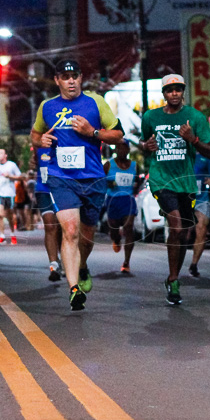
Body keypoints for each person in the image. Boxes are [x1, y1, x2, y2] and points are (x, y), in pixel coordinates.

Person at [31, 58, 123, 311]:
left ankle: (82, 267)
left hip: (92, 177)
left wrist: (92, 132)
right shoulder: (47, 107)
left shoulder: (96, 102)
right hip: (62, 178)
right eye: (65, 77)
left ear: (81, 78)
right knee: (70, 230)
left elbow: (117, 135)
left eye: (75, 76)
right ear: (57, 80)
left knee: (87, 236)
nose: (71, 81)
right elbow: (35, 134)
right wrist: (42, 141)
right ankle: (73, 289)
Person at [139, 74, 210, 305]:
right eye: (169, 90)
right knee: (177, 225)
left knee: (184, 233)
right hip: (162, 180)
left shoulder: (194, 117)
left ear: (183, 91)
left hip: (186, 183)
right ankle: (173, 278)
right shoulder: (151, 117)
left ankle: (174, 276)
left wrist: (193, 140)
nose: (174, 93)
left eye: (178, 89)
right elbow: (145, 144)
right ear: (163, 94)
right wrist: (146, 146)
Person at [104, 141, 138, 274]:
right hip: (113, 200)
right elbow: (100, 180)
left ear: (128, 150)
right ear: (116, 150)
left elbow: (138, 181)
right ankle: (116, 239)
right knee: (113, 227)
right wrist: (108, 184)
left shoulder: (135, 166)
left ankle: (126, 262)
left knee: (129, 228)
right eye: (119, 148)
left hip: (128, 200)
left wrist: (135, 187)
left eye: (124, 148)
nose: (122, 151)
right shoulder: (108, 165)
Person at [31, 148, 62, 281]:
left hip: (62, 190)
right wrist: (33, 163)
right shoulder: (40, 147)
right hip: (43, 190)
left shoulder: (67, 144)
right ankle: (53, 265)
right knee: (50, 225)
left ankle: (65, 258)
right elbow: (33, 162)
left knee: (62, 227)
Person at [188, 153, 210, 277]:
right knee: (183, 233)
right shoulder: (182, 155)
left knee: (202, 230)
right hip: (185, 199)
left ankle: (194, 264)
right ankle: (176, 263)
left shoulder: (206, 157)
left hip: (202, 199)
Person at [0, 148, 22, 244]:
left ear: (5, 155)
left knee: (9, 215)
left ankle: (12, 234)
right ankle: (2, 236)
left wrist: (10, 176)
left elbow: (20, 177)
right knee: (0, 214)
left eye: (1, 153)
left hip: (9, 193)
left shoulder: (11, 165)